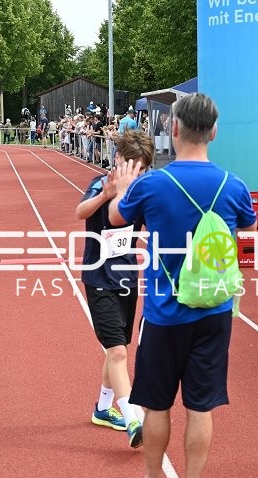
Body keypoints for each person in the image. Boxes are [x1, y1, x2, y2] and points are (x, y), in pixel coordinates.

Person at [108, 93, 257, 478]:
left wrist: (121, 190)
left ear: (173, 129)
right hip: (213, 312)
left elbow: (118, 218)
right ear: (213, 131)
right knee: (201, 405)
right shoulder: (233, 185)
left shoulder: (154, 184)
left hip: (163, 314)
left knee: (156, 403)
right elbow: (246, 221)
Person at [78, 130, 154, 449]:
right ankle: (132, 419)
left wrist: (143, 237)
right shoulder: (102, 183)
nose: (135, 172)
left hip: (126, 276)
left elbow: (136, 225)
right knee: (119, 352)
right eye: (130, 165)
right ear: (118, 159)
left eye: (142, 168)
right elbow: (80, 213)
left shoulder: (142, 191)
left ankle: (102, 408)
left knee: (118, 348)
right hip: (98, 279)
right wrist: (106, 194)